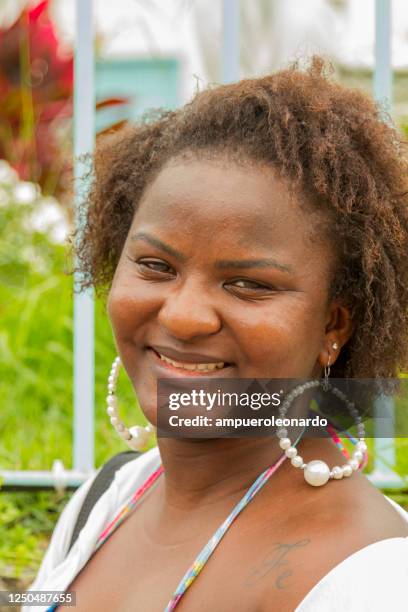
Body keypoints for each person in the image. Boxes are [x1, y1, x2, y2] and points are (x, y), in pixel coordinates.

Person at [24, 57, 408, 611]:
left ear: (334, 323)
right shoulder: (104, 502)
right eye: (156, 266)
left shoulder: (370, 581)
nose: (183, 317)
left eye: (248, 284)